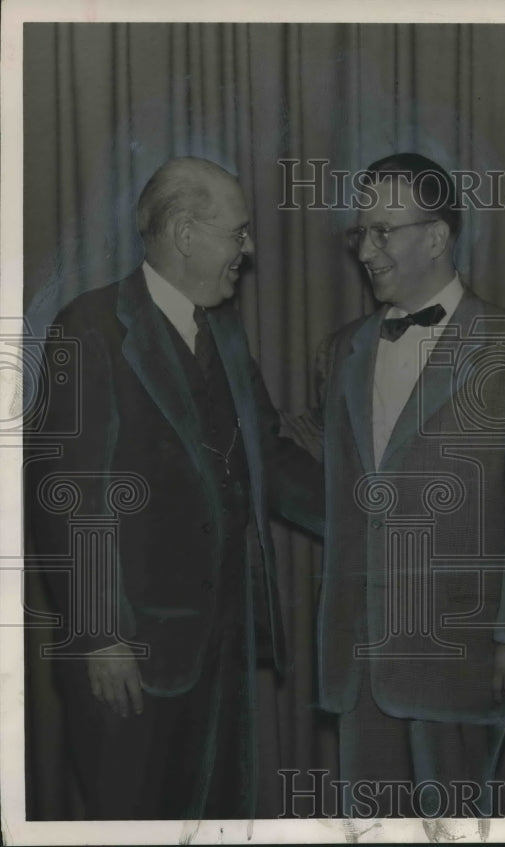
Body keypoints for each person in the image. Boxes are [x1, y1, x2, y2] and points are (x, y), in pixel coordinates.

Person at [26, 157, 324, 819]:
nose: (248, 250)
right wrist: (101, 635)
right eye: (238, 232)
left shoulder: (223, 329)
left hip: (218, 652)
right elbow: (69, 496)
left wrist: (372, 517)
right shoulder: (91, 327)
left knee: (211, 818)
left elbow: (267, 460)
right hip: (127, 660)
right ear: (187, 234)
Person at [314, 153, 505, 817]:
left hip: (462, 653)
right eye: (359, 234)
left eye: (382, 231)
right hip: (359, 656)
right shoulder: (344, 348)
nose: (365, 249)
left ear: (436, 236)